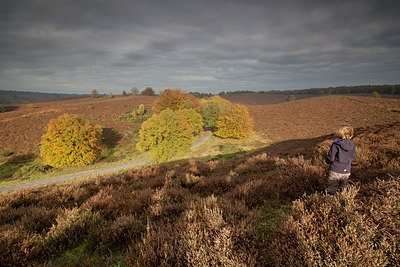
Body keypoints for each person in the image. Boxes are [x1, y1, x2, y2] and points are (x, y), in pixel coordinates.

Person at [325, 124, 356, 195]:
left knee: (332, 187)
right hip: (346, 170)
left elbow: (331, 157)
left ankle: (329, 201)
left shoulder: (336, 144)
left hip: (335, 169)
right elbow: (353, 157)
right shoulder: (352, 145)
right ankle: (342, 201)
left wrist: (327, 161)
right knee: (343, 188)